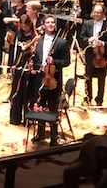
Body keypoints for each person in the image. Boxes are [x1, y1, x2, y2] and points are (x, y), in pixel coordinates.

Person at [28, 15, 70, 144]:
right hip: (39, 79)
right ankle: (40, 133)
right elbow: (36, 60)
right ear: (43, 25)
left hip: (53, 80)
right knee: (40, 105)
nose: (51, 24)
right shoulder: (38, 41)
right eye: (48, 22)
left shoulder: (61, 42)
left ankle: (53, 136)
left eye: (53, 22)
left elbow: (67, 61)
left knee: (52, 108)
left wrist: (54, 61)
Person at [78, 5, 107, 107]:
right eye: (94, 12)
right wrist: (88, 40)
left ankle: (99, 99)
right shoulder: (87, 24)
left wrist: (102, 43)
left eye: (98, 12)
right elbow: (82, 38)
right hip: (90, 54)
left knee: (101, 78)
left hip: (102, 55)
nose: (96, 14)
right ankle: (88, 97)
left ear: (103, 14)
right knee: (88, 77)